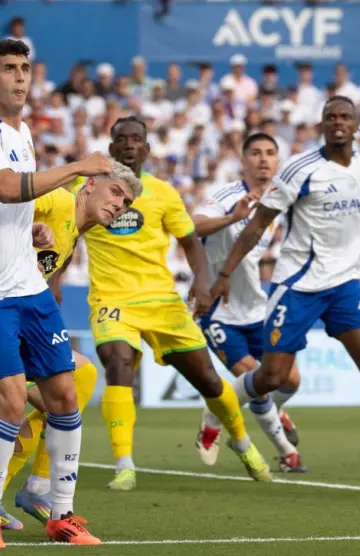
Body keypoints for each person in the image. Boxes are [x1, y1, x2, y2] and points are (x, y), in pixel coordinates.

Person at [210, 97, 360, 481]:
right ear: (321, 125)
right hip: (298, 284)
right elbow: (259, 224)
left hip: (344, 282)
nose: (338, 122)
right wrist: (225, 274)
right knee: (272, 379)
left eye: (345, 117)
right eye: (331, 117)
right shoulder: (300, 170)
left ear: (357, 126)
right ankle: (217, 408)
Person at [0, 39, 107, 548]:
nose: (20, 78)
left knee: (64, 393)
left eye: (25, 69)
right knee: (12, 402)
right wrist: (78, 166)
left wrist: (28, 231)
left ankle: (62, 514)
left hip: (27, 282)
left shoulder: (22, 133)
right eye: (9, 69)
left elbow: (16, 205)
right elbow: (4, 187)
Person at [0, 161, 141, 528]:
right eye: (115, 192)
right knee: (42, 397)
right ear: (89, 185)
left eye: (126, 202)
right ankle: (15, 491)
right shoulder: (54, 200)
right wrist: (29, 229)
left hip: (10, 322)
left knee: (75, 381)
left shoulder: (73, 234)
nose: (119, 205)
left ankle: (28, 486)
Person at [84, 117, 271, 493]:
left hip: (162, 301)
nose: (130, 145)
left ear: (147, 148)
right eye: (122, 139)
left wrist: (202, 285)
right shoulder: (87, 189)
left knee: (208, 380)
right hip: (111, 299)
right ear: (112, 147)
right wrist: (53, 280)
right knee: (118, 364)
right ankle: (124, 465)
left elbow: (190, 244)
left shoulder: (163, 193)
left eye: (137, 139)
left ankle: (242, 442)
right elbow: (68, 231)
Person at [192, 132, 306, 473]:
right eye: (255, 153)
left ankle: (214, 413)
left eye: (271, 153)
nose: (263, 160)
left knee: (291, 381)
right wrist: (231, 218)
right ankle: (287, 454)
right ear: (243, 161)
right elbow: (194, 225)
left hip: (258, 309)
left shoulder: (279, 201)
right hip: (219, 310)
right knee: (256, 382)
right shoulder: (227, 195)